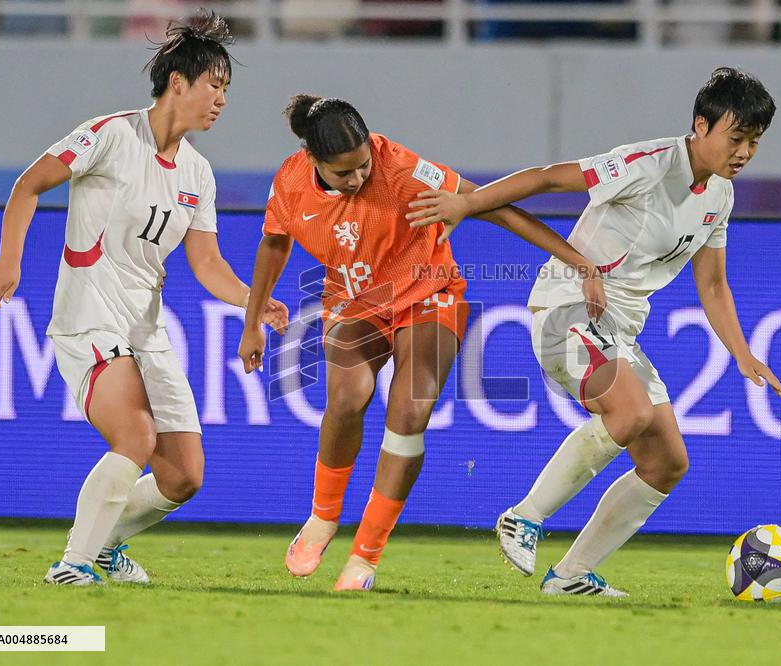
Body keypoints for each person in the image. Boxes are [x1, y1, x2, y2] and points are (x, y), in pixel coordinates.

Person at [407, 67, 781, 597]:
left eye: (755, 141)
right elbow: (546, 177)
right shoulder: (646, 164)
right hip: (568, 308)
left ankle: (569, 576)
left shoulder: (719, 196)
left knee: (666, 463)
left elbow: (713, 283)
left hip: (618, 331)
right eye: (737, 137)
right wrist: (467, 204)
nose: (745, 152)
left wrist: (742, 354)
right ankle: (524, 516)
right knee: (630, 414)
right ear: (701, 125)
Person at [238, 94, 605, 591]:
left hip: (428, 294)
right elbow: (274, 241)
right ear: (313, 161)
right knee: (346, 398)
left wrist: (578, 262)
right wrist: (253, 319)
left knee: (410, 410)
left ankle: (365, 556)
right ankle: (323, 516)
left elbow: (492, 206)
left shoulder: (403, 169)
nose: (358, 178)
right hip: (355, 300)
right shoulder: (290, 180)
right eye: (344, 173)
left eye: (364, 165)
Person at [0, 9, 286, 586]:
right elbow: (29, 184)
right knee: (136, 436)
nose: (221, 99)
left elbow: (207, 263)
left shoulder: (198, 173)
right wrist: (9, 258)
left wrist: (254, 301)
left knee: (184, 476)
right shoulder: (111, 134)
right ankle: (71, 565)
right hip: (89, 316)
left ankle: (104, 547)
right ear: (178, 82)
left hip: (146, 329)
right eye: (214, 85)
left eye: (227, 89)